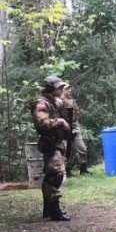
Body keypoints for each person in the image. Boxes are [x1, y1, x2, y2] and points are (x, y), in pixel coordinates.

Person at [30, 75, 72, 221]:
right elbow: (41, 124)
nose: (61, 89)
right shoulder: (41, 103)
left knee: (52, 176)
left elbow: (64, 105)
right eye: (58, 87)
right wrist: (59, 121)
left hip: (57, 142)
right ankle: (54, 211)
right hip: (50, 142)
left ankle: (48, 208)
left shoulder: (54, 101)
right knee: (55, 175)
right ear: (50, 88)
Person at [62, 84, 91, 176]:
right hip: (63, 126)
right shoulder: (58, 101)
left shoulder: (72, 100)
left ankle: (83, 169)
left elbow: (76, 113)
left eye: (69, 88)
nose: (69, 90)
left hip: (74, 125)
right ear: (61, 90)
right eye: (66, 89)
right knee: (66, 150)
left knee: (82, 148)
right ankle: (67, 170)